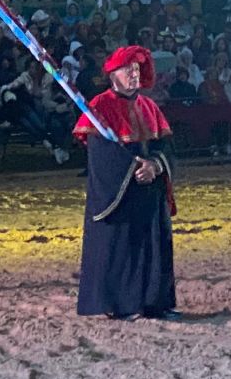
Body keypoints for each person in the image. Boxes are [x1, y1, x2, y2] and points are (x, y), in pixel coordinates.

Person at [74, 45, 178, 320]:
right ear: (112, 74)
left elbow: (166, 147)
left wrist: (155, 165)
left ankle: (155, 304)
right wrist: (134, 167)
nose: (133, 75)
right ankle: (121, 305)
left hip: (150, 189)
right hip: (121, 191)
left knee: (154, 246)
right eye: (127, 70)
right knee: (121, 247)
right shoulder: (99, 107)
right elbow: (101, 154)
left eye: (136, 70)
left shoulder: (149, 106)